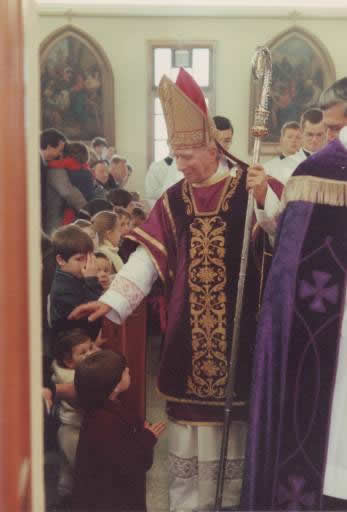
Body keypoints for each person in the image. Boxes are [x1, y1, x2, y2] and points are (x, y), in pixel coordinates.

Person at [69, 68, 258, 510]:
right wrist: (111, 301)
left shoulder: (248, 188)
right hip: (189, 337)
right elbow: (147, 259)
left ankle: (229, 501)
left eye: (189, 155)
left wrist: (267, 201)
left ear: (213, 149)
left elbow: (283, 239)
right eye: (176, 155)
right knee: (189, 436)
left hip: (237, 336)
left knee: (233, 440)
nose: (182, 164)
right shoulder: (174, 200)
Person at [241, 77, 347, 511]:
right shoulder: (316, 172)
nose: (329, 137)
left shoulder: (319, 172)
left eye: (336, 128)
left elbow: (293, 252)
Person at [72, 349, 166, 512]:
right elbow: (128, 462)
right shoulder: (105, 423)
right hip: (113, 499)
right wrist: (147, 438)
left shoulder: (102, 407)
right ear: (114, 386)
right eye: (124, 371)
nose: (128, 370)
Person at [249, 108, 327, 246]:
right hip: (295, 243)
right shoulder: (282, 169)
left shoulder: (337, 165)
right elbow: (273, 220)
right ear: (302, 133)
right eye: (309, 134)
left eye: (319, 135)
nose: (314, 140)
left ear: (326, 133)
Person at [51, 329, 98, 499]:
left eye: (91, 347)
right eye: (84, 352)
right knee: (77, 465)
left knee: (67, 466)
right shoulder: (73, 380)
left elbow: (85, 355)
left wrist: (93, 346)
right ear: (70, 362)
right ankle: (72, 497)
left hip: (71, 427)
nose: (92, 353)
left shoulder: (65, 367)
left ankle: (66, 492)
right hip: (73, 430)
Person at [49, 224, 103, 340]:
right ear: (61, 260)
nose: (86, 264)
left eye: (89, 258)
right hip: (74, 347)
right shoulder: (63, 288)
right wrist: (92, 281)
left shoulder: (75, 276)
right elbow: (91, 313)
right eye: (79, 259)